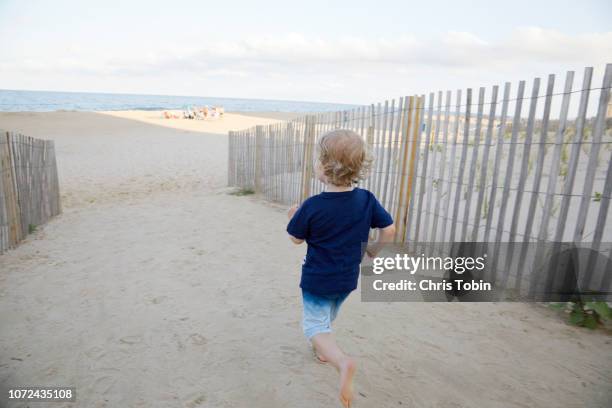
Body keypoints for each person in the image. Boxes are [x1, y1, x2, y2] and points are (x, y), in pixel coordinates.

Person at [286, 129, 396, 407]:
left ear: (324, 167)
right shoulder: (366, 200)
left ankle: (341, 361)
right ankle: (323, 351)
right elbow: (390, 229)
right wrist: (373, 250)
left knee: (313, 325)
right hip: (347, 278)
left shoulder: (312, 206)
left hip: (317, 279)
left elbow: (296, 238)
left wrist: (293, 216)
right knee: (327, 315)